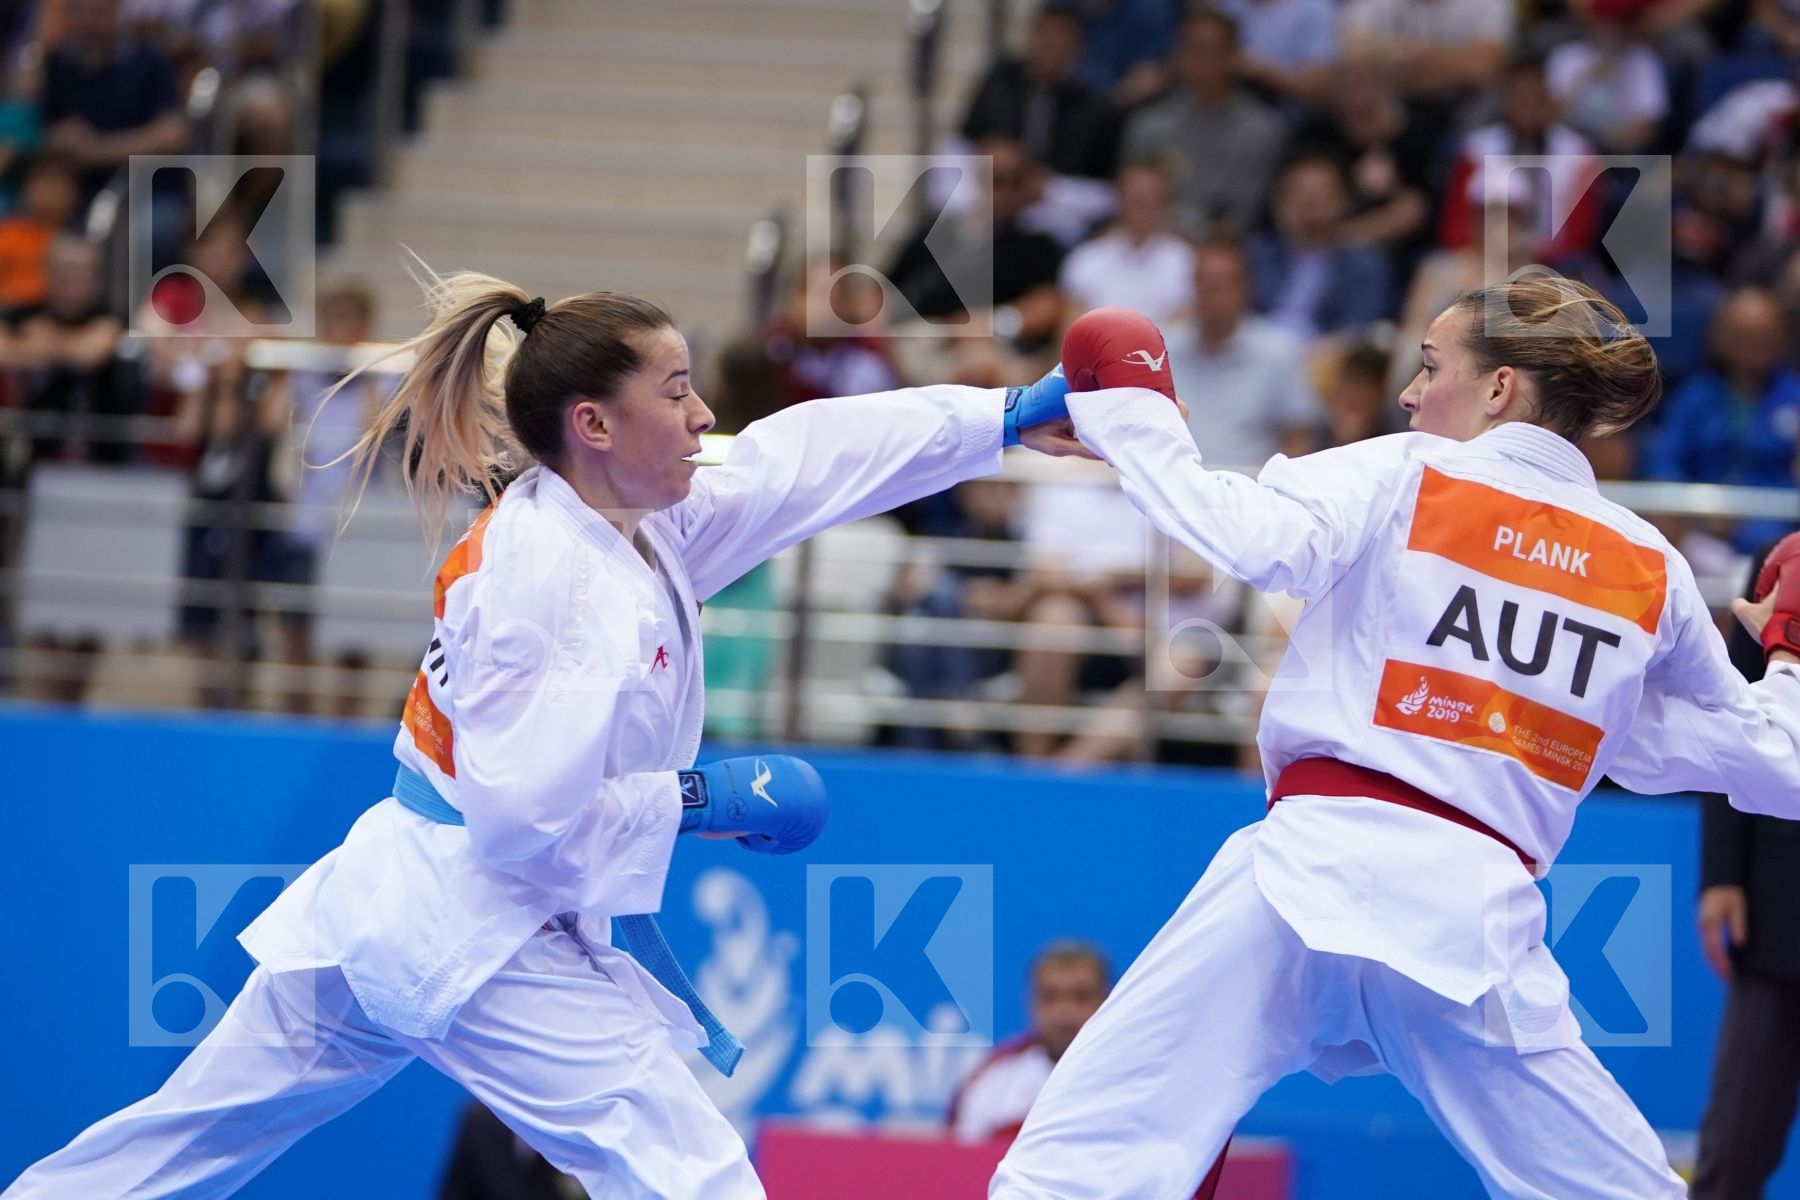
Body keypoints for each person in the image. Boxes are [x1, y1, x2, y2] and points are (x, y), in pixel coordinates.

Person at [3, 273, 1099, 1198]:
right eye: (676, 390)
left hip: (396, 893)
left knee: (181, 1140)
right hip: (477, 924)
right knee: (694, 1171)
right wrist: (699, 801)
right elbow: (522, 820)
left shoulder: (631, 518)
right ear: (594, 424)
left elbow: (801, 460)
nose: (703, 414)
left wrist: (1003, 418)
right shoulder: (559, 590)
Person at [989, 279, 1800, 1199]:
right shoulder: (1648, 565)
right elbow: (1764, 761)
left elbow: (1239, 535)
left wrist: (1134, 414)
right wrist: (1787, 654)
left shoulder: (1409, 473)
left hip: (1303, 879)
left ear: (1498, 388)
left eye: (1429, 366)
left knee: (1077, 1168)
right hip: (1471, 926)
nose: (1411, 395)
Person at [1693, 549, 1800, 1200]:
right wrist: (1721, 874)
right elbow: (1729, 717)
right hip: (1780, 904)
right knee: (1734, 1149)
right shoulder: (1786, 563)